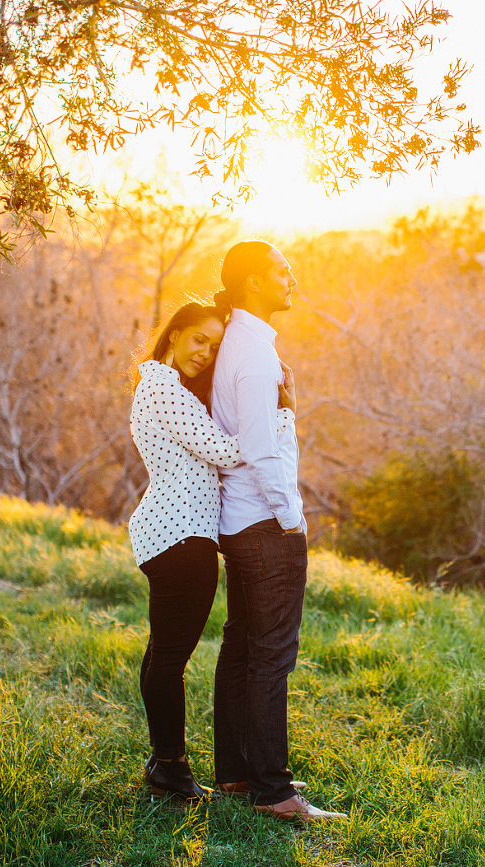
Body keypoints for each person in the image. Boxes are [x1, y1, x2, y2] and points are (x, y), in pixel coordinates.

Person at [209, 240, 346, 823]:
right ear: (254, 284)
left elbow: (258, 431)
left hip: (239, 522)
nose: (292, 278)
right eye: (281, 271)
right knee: (271, 655)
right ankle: (274, 791)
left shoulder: (239, 344)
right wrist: (292, 520)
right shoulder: (255, 355)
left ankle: (240, 773)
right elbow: (264, 454)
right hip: (266, 525)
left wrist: (287, 405)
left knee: (243, 645)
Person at [128, 303, 240, 801]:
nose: (205, 353)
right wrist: (280, 412)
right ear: (173, 334)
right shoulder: (161, 386)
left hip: (175, 534)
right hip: (181, 537)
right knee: (170, 659)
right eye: (199, 339)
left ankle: (164, 761)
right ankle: (171, 770)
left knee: (162, 656)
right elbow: (225, 451)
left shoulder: (163, 386)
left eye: (214, 346)